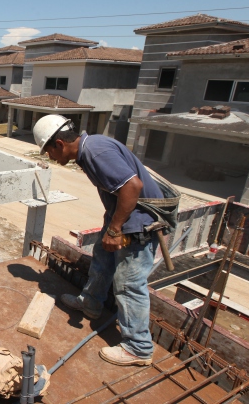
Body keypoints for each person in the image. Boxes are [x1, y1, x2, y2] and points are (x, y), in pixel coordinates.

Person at [33, 114, 164, 367]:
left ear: (59, 143)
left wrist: (115, 229)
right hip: (122, 216)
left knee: (128, 283)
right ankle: (91, 303)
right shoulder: (90, 149)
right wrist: (112, 223)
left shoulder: (95, 152)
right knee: (102, 261)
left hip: (138, 223)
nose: (50, 158)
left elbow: (132, 187)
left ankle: (138, 347)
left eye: (48, 152)